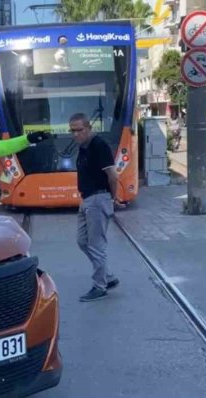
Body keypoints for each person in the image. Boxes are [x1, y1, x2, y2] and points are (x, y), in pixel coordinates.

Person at [69, 112, 122, 302]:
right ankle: (107, 276)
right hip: (87, 200)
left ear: (89, 128)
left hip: (99, 199)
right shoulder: (83, 147)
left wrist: (112, 199)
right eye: (72, 131)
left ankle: (100, 286)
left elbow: (113, 176)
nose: (75, 134)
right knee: (82, 241)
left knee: (97, 245)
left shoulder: (99, 145)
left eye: (79, 130)